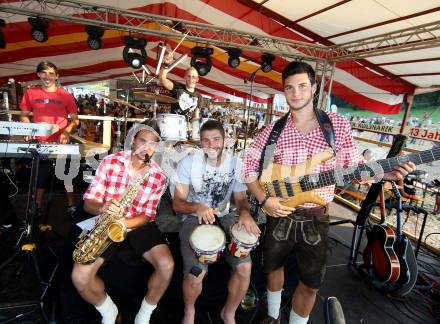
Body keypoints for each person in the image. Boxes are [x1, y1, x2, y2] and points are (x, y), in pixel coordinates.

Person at [243, 61, 416, 324]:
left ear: (314, 88)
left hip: (316, 215)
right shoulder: (273, 130)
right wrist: (264, 199)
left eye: (302, 86)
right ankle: (272, 315)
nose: (296, 93)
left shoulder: (335, 124)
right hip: (280, 211)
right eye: (289, 88)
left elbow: (353, 166)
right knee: (272, 269)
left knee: (311, 283)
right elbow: (247, 166)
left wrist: (384, 173)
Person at [71, 121, 174, 324]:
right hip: (106, 222)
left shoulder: (158, 176)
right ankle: (109, 312)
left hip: (137, 223)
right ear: (133, 141)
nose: (146, 148)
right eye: (142, 141)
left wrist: (123, 225)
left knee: (167, 265)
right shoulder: (110, 162)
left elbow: (148, 215)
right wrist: (102, 207)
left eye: (152, 144)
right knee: (80, 277)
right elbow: (88, 204)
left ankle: (144, 315)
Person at [172, 120, 260, 324]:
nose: (211, 145)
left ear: (225, 140)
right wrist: (197, 207)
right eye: (206, 141)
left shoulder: (235, 164)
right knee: (197, 272)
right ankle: (190, 312)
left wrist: (245, 213)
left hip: (225, 216)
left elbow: (240, 200)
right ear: (200, 143)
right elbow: (177, 204)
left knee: (245, 268)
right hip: (195, 218)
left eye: (216, 139)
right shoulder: (188, 163)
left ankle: (228, 313)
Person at [20, 61, 79, 217]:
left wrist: (66, 132)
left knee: (67, 175)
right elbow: (24, 115)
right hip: (40, 141)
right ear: (39, 74)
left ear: (57, 76)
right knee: (40, 176)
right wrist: (28, 129)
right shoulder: (30, 93)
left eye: (51, 73)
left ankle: (72, 204)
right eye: (44, 73)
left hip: (61, 141)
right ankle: (37, 206)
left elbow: (75, 119)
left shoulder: (66, 95)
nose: (47, 76)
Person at [159, 52, 202, 121]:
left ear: (197, 79)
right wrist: (166, 64)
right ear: (185, 77)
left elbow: (196, 116)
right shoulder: (178, 88)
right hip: (174, 123)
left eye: (193, 77)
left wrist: (194, 124)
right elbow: (162, 79)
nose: (191, 79)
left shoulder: (199, 97)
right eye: (189, 76)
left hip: (187, 127)